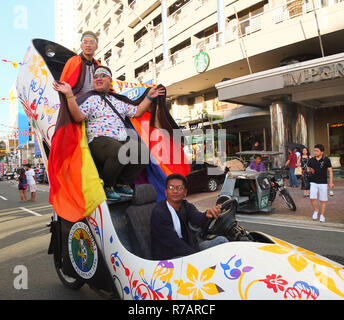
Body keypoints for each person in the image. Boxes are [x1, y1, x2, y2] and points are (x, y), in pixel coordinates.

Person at [53, 65, 166, 200]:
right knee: (118, 151)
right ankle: (107, 186)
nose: (98, 79)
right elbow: (78, 117)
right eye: (96, 77)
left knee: (142, 152)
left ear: (110, 81)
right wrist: (69, 95)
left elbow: (137, 112)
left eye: (103, 76)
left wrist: (149, 97)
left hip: (121, 138)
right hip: (98, 139)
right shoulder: (90, 98)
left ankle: (121, 183)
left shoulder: (118, 100)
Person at [150, 173, 229, 260]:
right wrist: (198, 257)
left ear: (185, 193)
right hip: (169, 257)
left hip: (188, 247)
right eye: (171, 188)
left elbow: (198, 218)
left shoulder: (185, 205)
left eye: (179, 188)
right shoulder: (159, 212)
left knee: (222, 241)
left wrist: (208, 214)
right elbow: (174, 244)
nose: (175, 191)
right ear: (166, 192)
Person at [59, 31, 101, 98]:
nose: (88, 45)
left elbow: (106, 86)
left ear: (96, 47)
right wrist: (70, 98)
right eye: (85, 42)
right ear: (81, 46)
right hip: (76, 102)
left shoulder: (98, 65)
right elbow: (63, 85)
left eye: (91, 43)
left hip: (95, 103)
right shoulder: (73, 61)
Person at [307, 144, 334, 223]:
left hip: (323, 183)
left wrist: (331, 182)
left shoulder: (326, 160)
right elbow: (308, 168)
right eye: (314, 150)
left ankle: (322, 215)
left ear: (322, 152)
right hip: (313, 182)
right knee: (312, 198)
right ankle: (316, 210)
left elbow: (330, 171)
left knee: (323, 200)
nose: (315, 152)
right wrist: (310, 170)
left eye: (317, 151)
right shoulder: (311, 160)